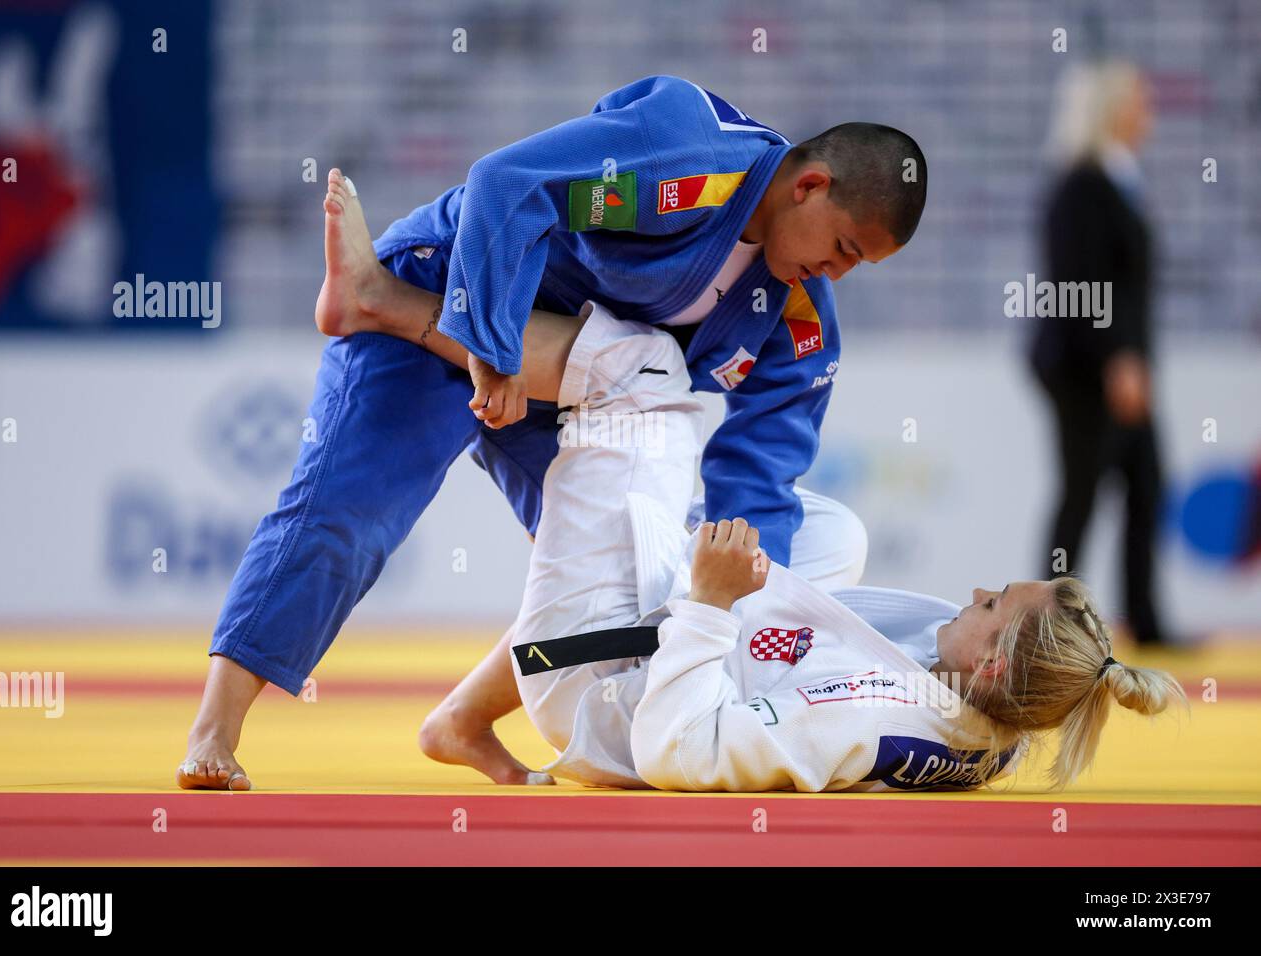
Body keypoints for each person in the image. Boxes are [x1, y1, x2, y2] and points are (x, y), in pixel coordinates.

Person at [178, 74, 928, 790]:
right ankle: (215, 729)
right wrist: (492, 347)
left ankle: (461, 719)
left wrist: (745, 619)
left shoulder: (797, 317)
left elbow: (757, 491)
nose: (834, 273)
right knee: (351, 514)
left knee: (637, 575)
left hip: (563, 388)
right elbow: (506, 183)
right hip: (456, 296)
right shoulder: (694, 153)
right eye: (844, 248)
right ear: (810, 186)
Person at [413, 300, 1187, 792]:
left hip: (602, 685)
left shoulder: (866, 715)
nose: (977, 590)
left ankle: (409, 311)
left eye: (992, 605)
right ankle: (464, 713)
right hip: (683, 648)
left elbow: (671, 751)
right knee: (834, 536)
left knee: (645, 370)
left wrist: (711, 602)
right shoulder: (1002, 717)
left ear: (988, 662)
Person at [1029, 61, 1167, 646]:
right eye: (1139, 101)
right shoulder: (1083, 184)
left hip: (1116, 363)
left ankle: (1145, 619)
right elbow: (1080, 284)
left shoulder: (1118, 177)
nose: (1149, 112)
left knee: (1146, 485)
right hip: (1086, 368)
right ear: (1113, 109)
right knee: (1082, 492)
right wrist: (1119, 359)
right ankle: (1048, 626)